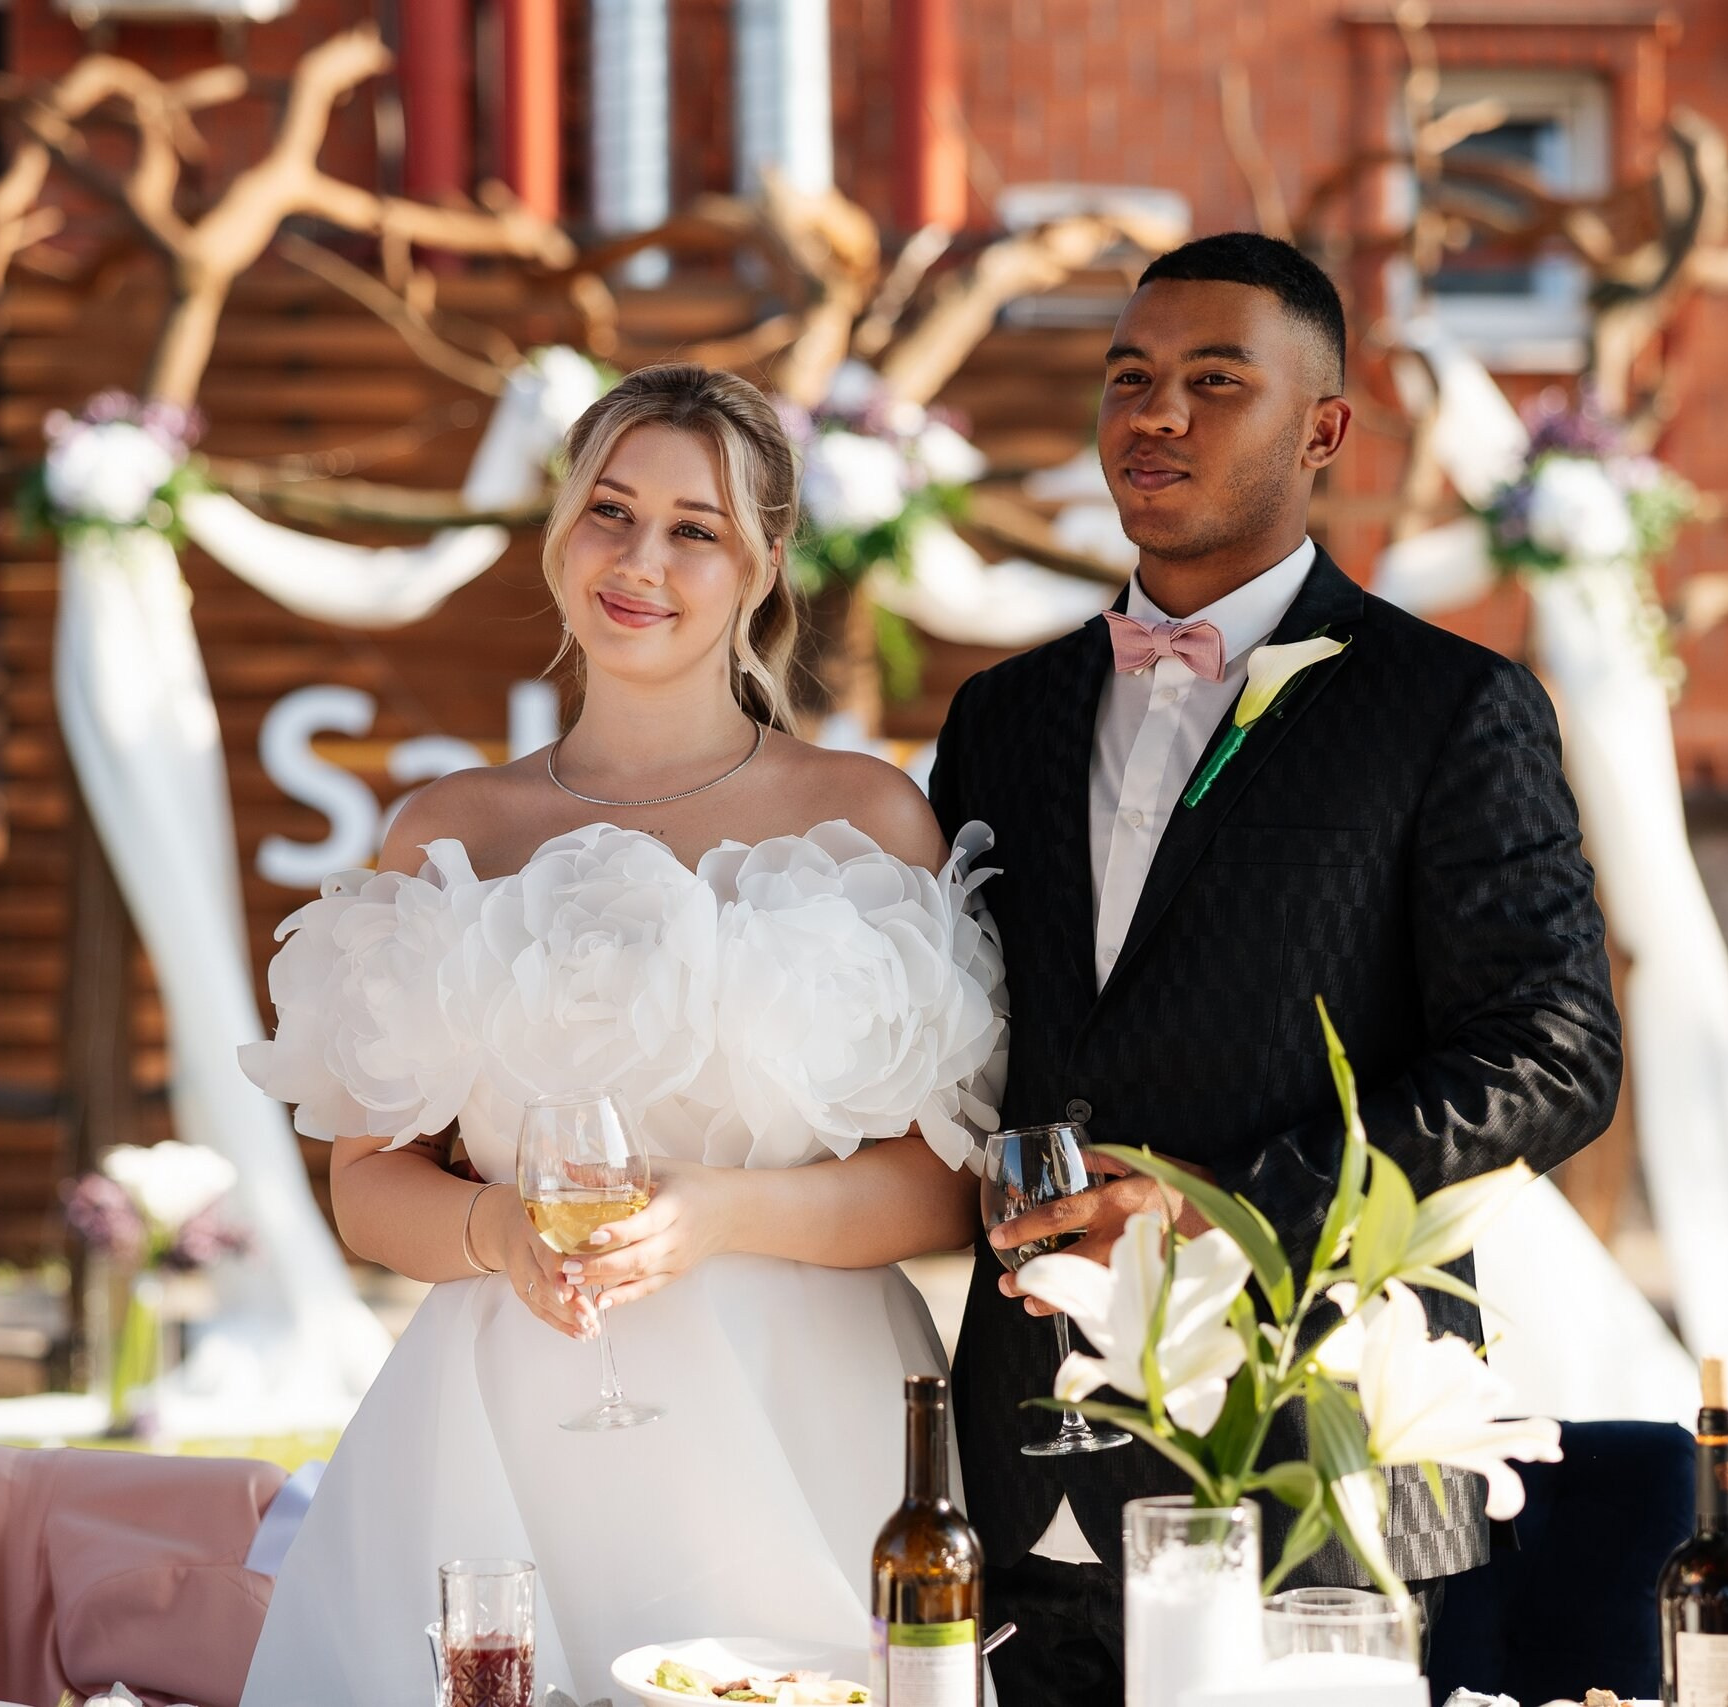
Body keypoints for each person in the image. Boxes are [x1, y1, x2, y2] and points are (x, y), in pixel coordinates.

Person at [235, 364, 1007, 1704]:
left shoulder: (868, 817)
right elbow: (366, 1184)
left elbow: (945, 1186)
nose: (641, 560)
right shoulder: (446, 831)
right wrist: (496, 1232)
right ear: (559, 536)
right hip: (510, 1432)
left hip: (806, 1420)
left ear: (763, 565)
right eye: (611, 511)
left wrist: (726, 1212)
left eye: (695, 528)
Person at [926, 231, 1625, 1706]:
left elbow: (1554, 1053)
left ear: (1323, 429)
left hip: (1317, 1448)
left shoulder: (1452, 708)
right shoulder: (1000, 718)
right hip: (1028, 1455)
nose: (1156, 414)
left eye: (1214, 381)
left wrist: (1226, 1210)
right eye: (1130, 378)